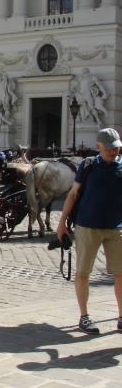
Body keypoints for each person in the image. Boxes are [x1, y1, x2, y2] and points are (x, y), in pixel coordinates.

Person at [56, 128, 122, 335]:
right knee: (83, 272)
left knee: (121, 274)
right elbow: (74, 195)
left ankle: (121, 317)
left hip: (116, 228)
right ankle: (85, 317)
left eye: (117, 147)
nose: (115, 151)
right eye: (110, 148)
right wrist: (62, 223)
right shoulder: (88, 166)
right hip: (88, 226)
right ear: (99, 147)